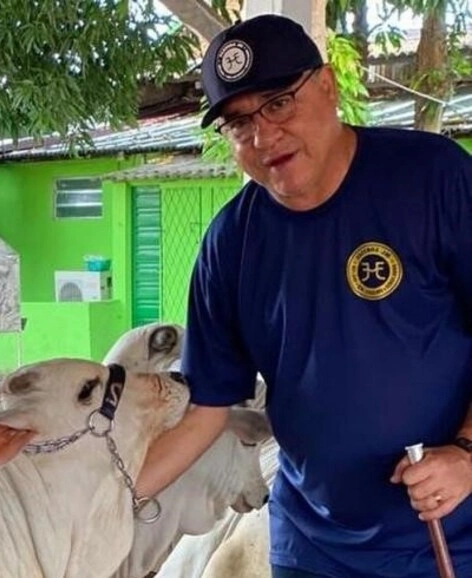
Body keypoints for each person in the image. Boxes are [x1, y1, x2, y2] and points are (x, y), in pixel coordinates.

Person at [134, 13, 472, 578]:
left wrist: (466, 454)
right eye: (239, 122)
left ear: (328, 87)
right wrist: (111, 497)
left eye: (278, 103)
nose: (263, 136)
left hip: (450, 539)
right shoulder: (230, 243)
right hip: (313, 547)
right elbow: (206, 410)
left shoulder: (433, 179)